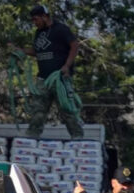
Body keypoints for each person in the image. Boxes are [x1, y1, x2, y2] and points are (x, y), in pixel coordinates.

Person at [24, 5, 83, 139]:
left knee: (66, 108)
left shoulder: (60, 29)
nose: (35, 23)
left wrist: (67, 66)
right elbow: (37, 51)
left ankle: (77, 135)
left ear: (45, 16)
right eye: (32, 20)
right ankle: (32, 136)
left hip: (60, 77)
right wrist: (20, 51)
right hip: (43, 78)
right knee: (38, 109)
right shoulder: (39, 33)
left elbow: (74, 45)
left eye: (36, 19)